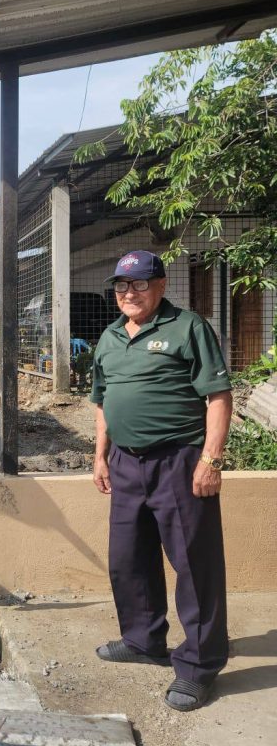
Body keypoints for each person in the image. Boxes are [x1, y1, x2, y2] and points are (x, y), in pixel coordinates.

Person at [90, 251, 233, 712]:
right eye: (121, 286)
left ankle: (198, 666)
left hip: (179, 460)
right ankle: (144, 640)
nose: (129, 293)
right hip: (126, 464)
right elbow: (102, 400)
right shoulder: (110, 337)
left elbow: (217, 396)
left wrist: (210, 459)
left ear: (161, 284)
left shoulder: (187, 327)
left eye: (139, 284)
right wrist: (100, 455)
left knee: (195, 565)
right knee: (127, 558)